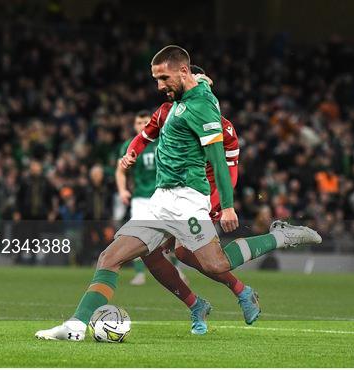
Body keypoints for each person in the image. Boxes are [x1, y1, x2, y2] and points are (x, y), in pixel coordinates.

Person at [35, 45, 321, 341]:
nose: (159, 86)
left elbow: (220, 161)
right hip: (159, 203)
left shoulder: (202, 107)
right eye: (156, 79)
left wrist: (227, 206)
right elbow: (152, 128)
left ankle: (280, 235)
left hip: (188, 203)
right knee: (110, 257)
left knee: (215, 263)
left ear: (184, 72)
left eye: (163, 78)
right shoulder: (175, 104)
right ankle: (76, 326)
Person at [138, 68, 259, 334]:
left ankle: (240, 291)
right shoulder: (171, 114)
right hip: (171, 197)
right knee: (149, 252)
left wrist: (217, 206)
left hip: (202, 198)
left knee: (184, 252)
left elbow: (228, 173)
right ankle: (200, 303)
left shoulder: (223, 127)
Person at [115, 110, 186, 286]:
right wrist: (122, 190)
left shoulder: (165, 141)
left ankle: (177, 269)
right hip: (140, 198)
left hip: (164, 196)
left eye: (145, 122)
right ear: (134, 125)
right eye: (138, 123)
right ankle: (139, 274)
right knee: (138, 236)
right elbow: (120, 171)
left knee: (171, 234)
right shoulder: (129, 146)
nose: (142, 126)